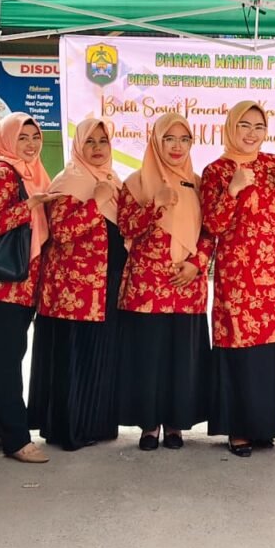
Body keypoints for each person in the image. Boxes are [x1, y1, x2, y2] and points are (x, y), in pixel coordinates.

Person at [200, 101, 275, 457]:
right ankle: (238, 429)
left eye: (259, 126)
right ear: (232, 127)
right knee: (238, 347)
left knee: (268, 351)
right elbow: (212, 224)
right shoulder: (216, 170)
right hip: (238, 275)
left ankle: (263, 427)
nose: (252, 133)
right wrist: (232, 190)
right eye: (244, 125)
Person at [117, 113, 214, 450]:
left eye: (184, 139)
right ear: (156, 142)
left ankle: (175, 423)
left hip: (187, 285)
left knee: (181, 358)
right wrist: (154, 205)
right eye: (169, 139)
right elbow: (126, 227)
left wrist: (196, 265)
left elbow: (210, 233)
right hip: (146, 286)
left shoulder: (198, 184)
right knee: (148, 357)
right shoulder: (135, 183)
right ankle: (149, 424)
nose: (177, 146)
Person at [28, 117, 125, 450]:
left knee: (100, 354)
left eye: (103, 141)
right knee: (75, 356)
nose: (97, 148)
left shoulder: (112, 179)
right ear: (78, 146)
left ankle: (96, 425)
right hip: (73, 288)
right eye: (89, 142)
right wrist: (95, 202)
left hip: (107, 282)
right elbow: (62, 232)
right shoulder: (68, 180)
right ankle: (69, 429)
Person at [0, 113, 54, 464]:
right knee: (6, 360)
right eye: (22, 138)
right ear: (6, 139)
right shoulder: (2, 173)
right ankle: (17, 439)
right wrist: (29, 206)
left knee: (6, 356)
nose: (31, 144)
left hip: (19, 285)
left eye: (35, 137)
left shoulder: (34, 174)